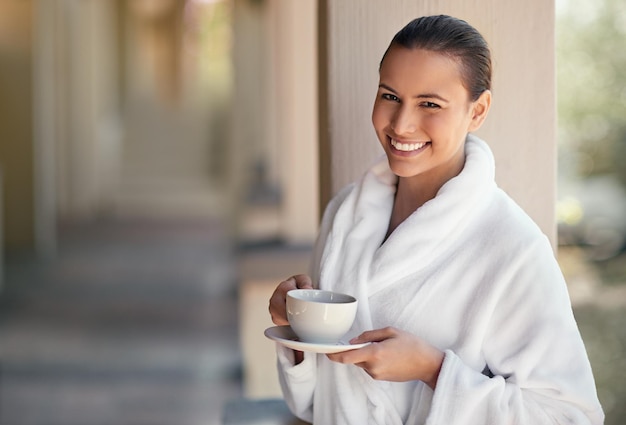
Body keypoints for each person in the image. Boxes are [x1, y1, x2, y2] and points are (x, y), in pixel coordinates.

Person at [268, 15, 604, 425]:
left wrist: (433, 370)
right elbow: (317, 404)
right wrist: (297, 331)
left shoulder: (513, 248)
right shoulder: (344, 216)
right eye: (389, 96)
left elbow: (571, 416)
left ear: (477, 111)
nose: (401, 124)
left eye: (430, 104)